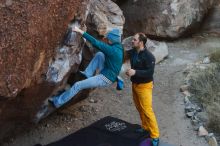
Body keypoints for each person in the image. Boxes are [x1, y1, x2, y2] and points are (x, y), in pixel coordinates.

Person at [49, 26, 123, 108]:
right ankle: (88, 73)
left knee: (78, 85)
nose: (108, 40)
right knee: (100, 54)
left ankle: (57, 102)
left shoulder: (112, 50)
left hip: (105, 78)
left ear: (112, 39)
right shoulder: (119, 47)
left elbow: (96, 43)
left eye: (109, 38)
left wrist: (80, 31)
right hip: (109, 71)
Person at [125, 33, 160, 146]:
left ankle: (155, 136)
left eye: (134, 40)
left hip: (145, 86)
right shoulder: (133, 52)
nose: (132, 41)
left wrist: (135, 72)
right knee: (139, 107)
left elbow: (149, 73)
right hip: (135, 84)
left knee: (147, 110)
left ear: (141, 42)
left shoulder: (149, 57)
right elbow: (121, 54)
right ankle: (145, 127)